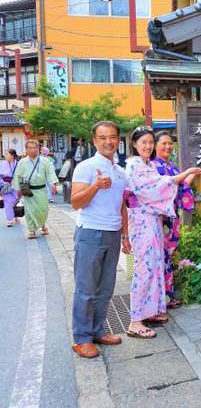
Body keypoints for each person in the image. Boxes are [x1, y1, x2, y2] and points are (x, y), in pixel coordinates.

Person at [125, 127, 201, 339]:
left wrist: (181, 177)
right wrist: (184, 175)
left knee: (156, 265)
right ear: (134, 144)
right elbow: (154, 188)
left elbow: (161, 186)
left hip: (154, 220)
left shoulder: (148, 165)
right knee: (144, 268)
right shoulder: (133, 165)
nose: (148, 146)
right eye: (144, 142)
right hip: (142, 220)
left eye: (150, 142)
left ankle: (149, 311)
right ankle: (135, 320)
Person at [70, 121, 131, 359]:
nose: (109, 142)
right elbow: (76, 202)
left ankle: (97, 330)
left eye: (113, 137)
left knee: (106, 287)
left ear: (118, 140)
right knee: (86, 288)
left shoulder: (120, 171)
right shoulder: (86, 167)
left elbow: (122, 205)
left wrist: (125, 234)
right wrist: (96, 186)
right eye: (103, 137)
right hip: (90, 233)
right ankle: (82, 338)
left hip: (113, 233)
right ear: (94, 141)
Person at [152, 131, 195, 309]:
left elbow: (181, 185)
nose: (168, 147)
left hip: (172, 218)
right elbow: (164, 188)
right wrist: (187, 174)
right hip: (160, 219)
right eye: (164, 143)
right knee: (159, 258)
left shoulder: (171, 166)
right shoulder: (153, 166)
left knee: (168, 257)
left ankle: (167, 298)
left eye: (170, 143)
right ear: (155, 146)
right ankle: (159, 301)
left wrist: (191, 175)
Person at [12, 139, 58, 239]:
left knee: (43, 209)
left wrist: (53, 184)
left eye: (34, 148)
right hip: (28, 190)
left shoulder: (46, 161)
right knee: (29, 211)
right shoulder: (22, 162)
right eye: (30, 148)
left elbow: (51, 173)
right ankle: (31, 230)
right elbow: (17, 176)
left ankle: (42, 224)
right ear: (26, 150)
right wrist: (17, 189)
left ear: (38, 149)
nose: (32, 150)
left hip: (41, 190)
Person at [0, 149, 19, 227]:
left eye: (7, 154)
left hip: (15, 184)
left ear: (12, 155)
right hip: (5, 184)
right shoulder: (2, 164)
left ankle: (16, 214)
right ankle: (9, 219)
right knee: (8, 202)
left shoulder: (18, 163)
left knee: (15, 200)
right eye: (5, 154)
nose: (5, 155)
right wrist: (1, 183)